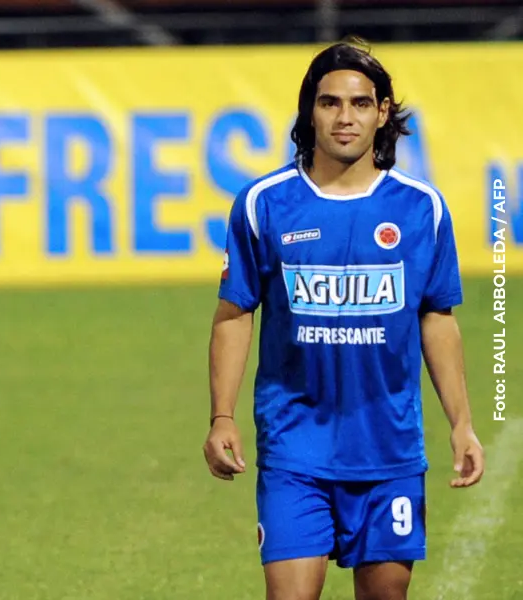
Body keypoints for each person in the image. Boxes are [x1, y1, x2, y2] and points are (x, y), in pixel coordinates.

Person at [202, 39, 485, 600]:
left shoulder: (421, 208)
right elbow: (234, 313)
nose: (345, 117)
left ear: (383, 113)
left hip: (389, 450)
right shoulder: (264, 204)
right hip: (294, 448)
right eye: (330, 102)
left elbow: (437, 318)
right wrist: (221, 416)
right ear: (310, 111)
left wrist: (461, 422)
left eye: (360, 103)